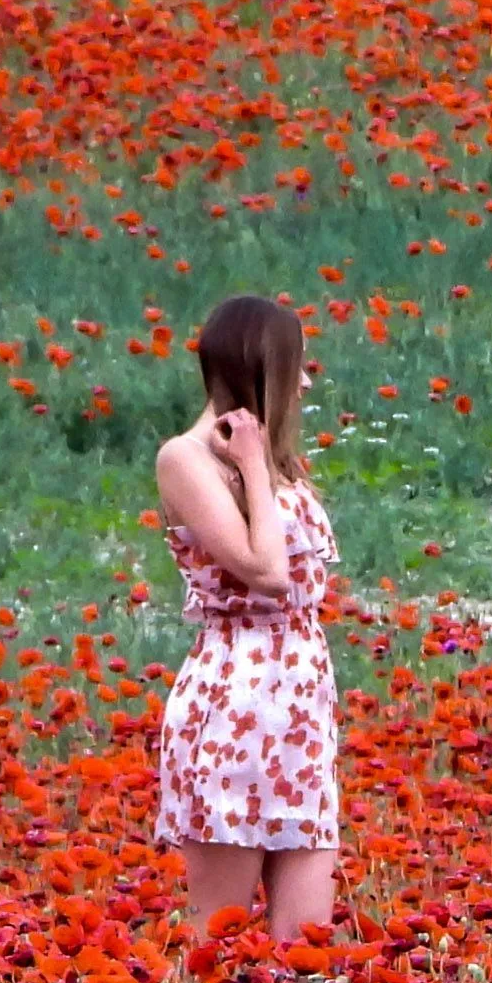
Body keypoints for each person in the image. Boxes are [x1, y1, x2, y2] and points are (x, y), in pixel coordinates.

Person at [152, 295, 342, 940]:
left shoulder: (277, 467)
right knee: (220, 937)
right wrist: (255, 467)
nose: (308, 383)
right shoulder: (187, 459)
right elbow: (265, 572)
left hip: (299, 704)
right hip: (236, 701)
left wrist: (264, 466)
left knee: (308, 942)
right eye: (299, 367)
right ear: (261, 368)